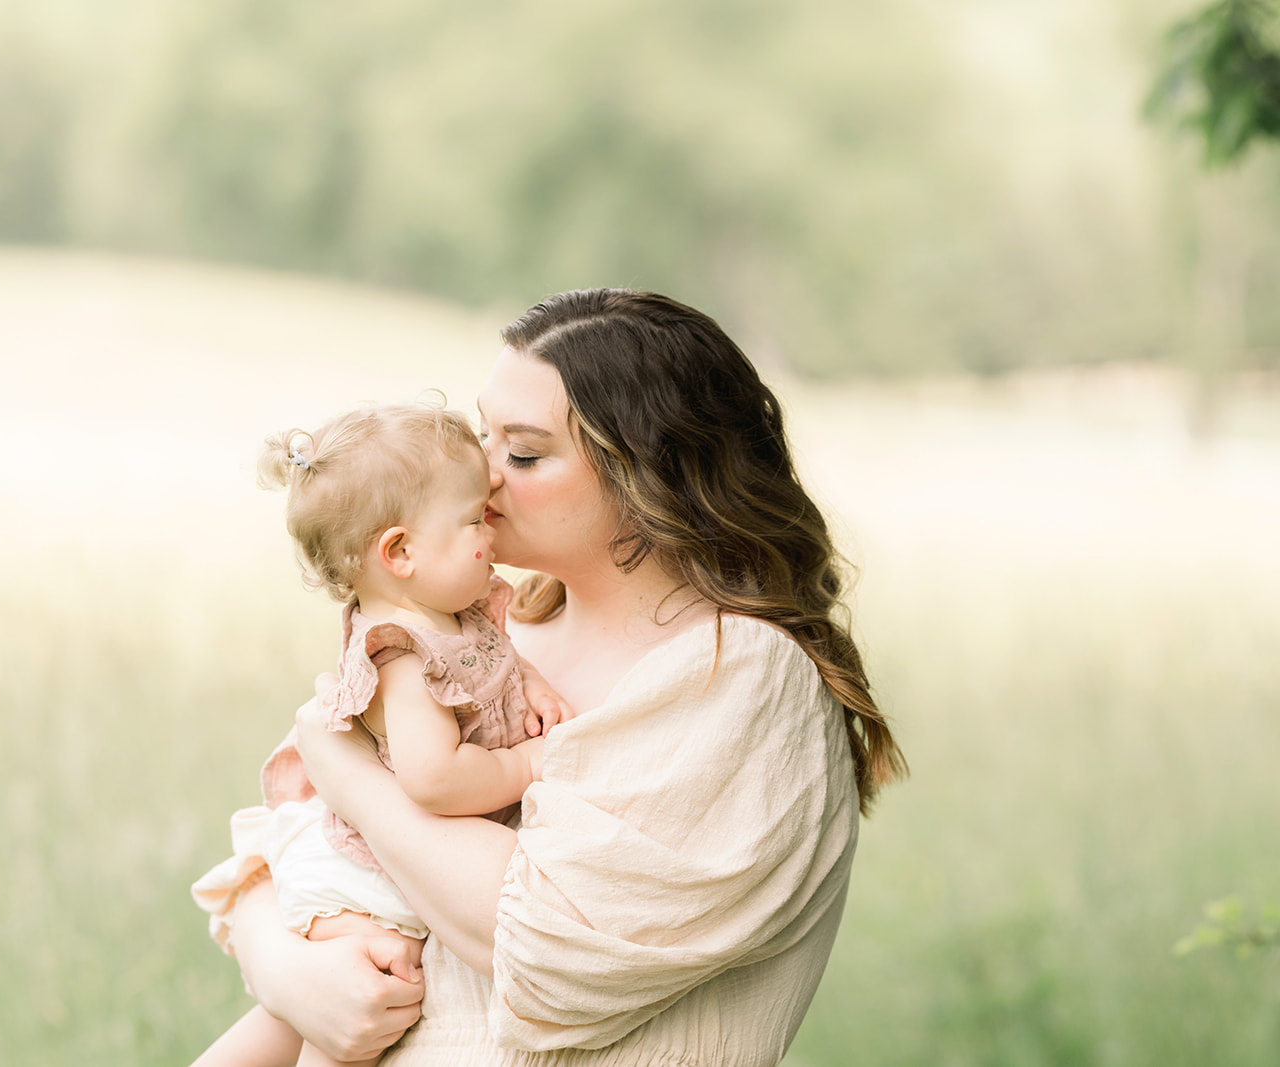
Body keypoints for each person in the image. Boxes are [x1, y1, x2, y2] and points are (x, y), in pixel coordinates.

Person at [220, 289, 907, 1065]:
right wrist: (290, 975)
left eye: (524, 453)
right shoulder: (478, 628)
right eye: (484, 438)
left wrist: (349, 772)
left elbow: (542, 946)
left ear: (653, 478)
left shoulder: (739, 675)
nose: (480, 477)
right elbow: (279, 850)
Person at [189, 403, 573, 1067]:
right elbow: (434, 777)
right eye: (474, 518)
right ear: (400, 551)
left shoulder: (453, 608)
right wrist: (525, 762)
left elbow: (498, 659)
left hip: (374, 849)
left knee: (284, 1027)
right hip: (363, 875)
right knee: (358, 1008)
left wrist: (532, 684)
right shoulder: (402, 658)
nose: (492, 526)